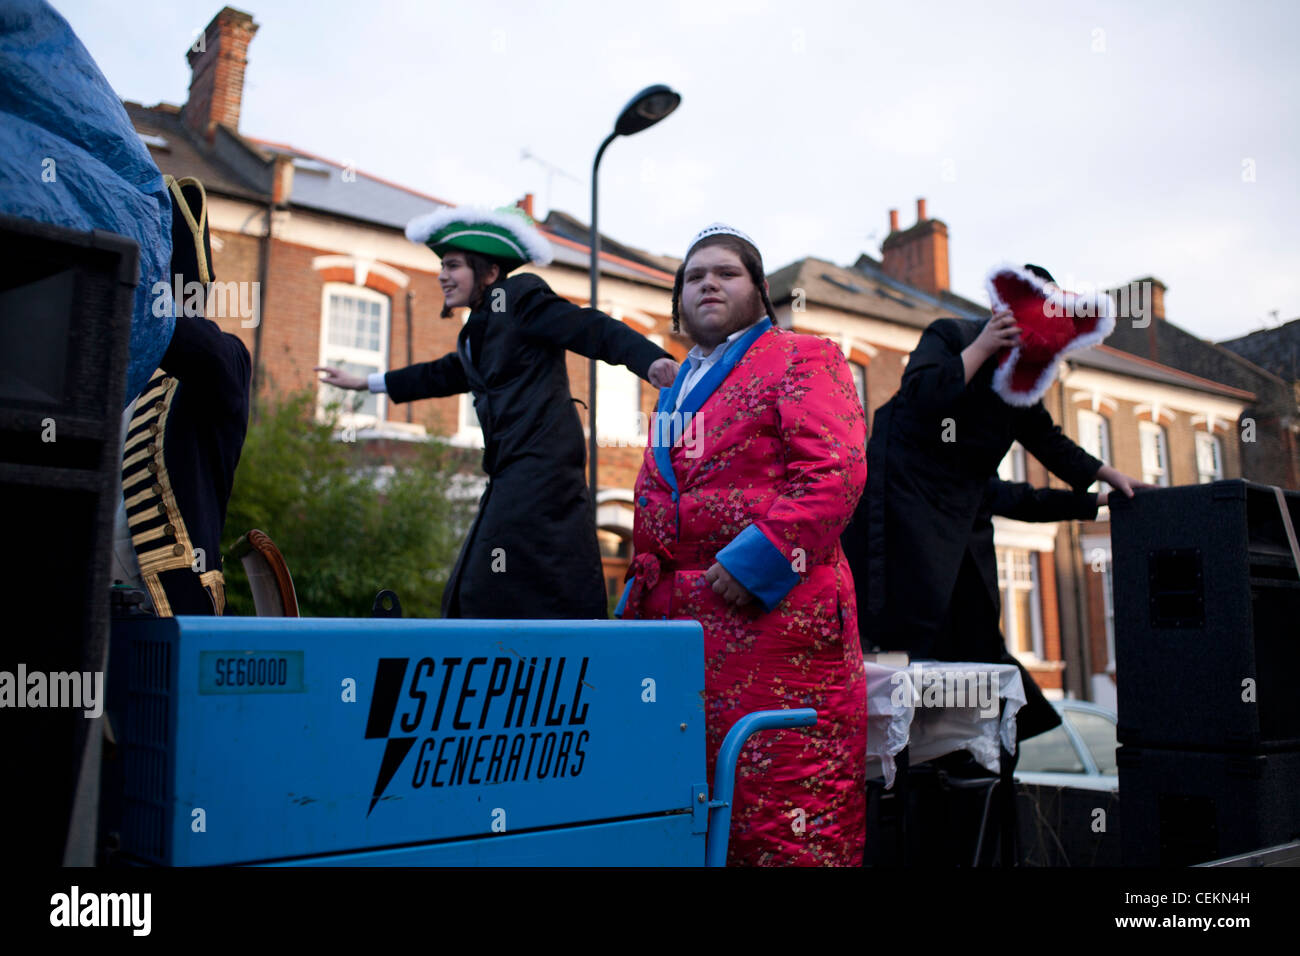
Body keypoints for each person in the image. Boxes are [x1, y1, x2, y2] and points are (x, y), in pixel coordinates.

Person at [616, 223, 868, 866]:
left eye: (725, 272)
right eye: (693, 276)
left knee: (781, 812)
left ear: (760, 291)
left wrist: (760, 559)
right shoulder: (674, 388)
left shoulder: (805, 356)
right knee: (700, 811)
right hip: (683, 635)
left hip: (777, 623)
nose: (707, 282)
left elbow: (835, 470)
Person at [317, 205, 677, 619]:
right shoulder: (476, 334)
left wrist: (648, 360)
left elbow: (589, 327)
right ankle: (559, 635)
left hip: (542, 466)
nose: (441, 275)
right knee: (499, 576)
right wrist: (369, 382)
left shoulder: (520, 299)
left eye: (453, 265)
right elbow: (442, 374)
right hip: (510, 469)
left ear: (489, 273)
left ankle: (542, 645)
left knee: (484, 580)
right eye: (441, 266)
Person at [842, 263, 1150, 742]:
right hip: (901, 511)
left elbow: (1046, 444)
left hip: (963, 511)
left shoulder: (1020, 383)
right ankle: (906, 757)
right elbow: (922, 395)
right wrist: (984, 345)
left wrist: (1105, 482)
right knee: (911, 632)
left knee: (979, 635)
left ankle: (979, 757)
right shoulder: (949, 334)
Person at [114, 176, 251, 615]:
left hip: (166, 602)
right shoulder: (109, 367)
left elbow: (202, 350)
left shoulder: (224, 361)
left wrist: (123, 291)